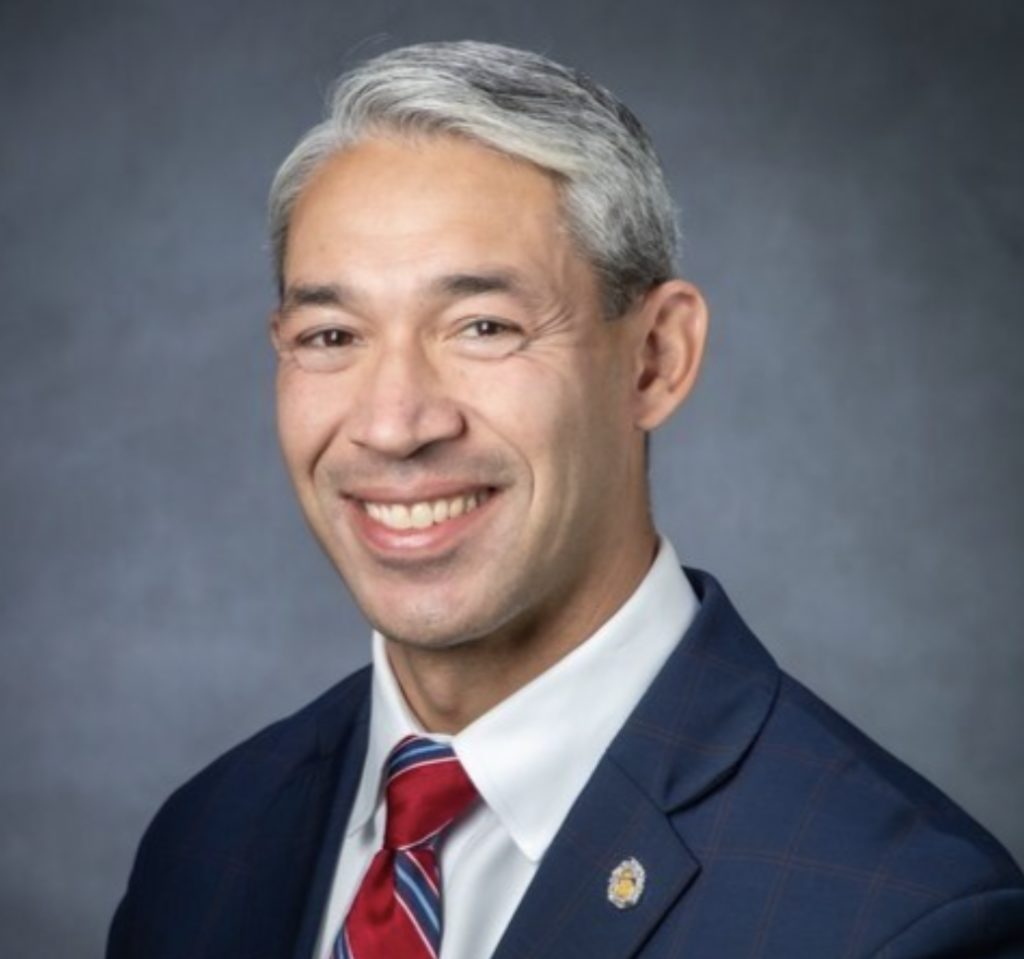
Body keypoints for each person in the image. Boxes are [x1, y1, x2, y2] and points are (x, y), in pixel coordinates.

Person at [107, 40, 1024, 958]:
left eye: (483, 327)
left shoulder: (904, 916)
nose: (392, 423)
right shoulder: (206, 843)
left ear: (657, 358)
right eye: (332, 333)